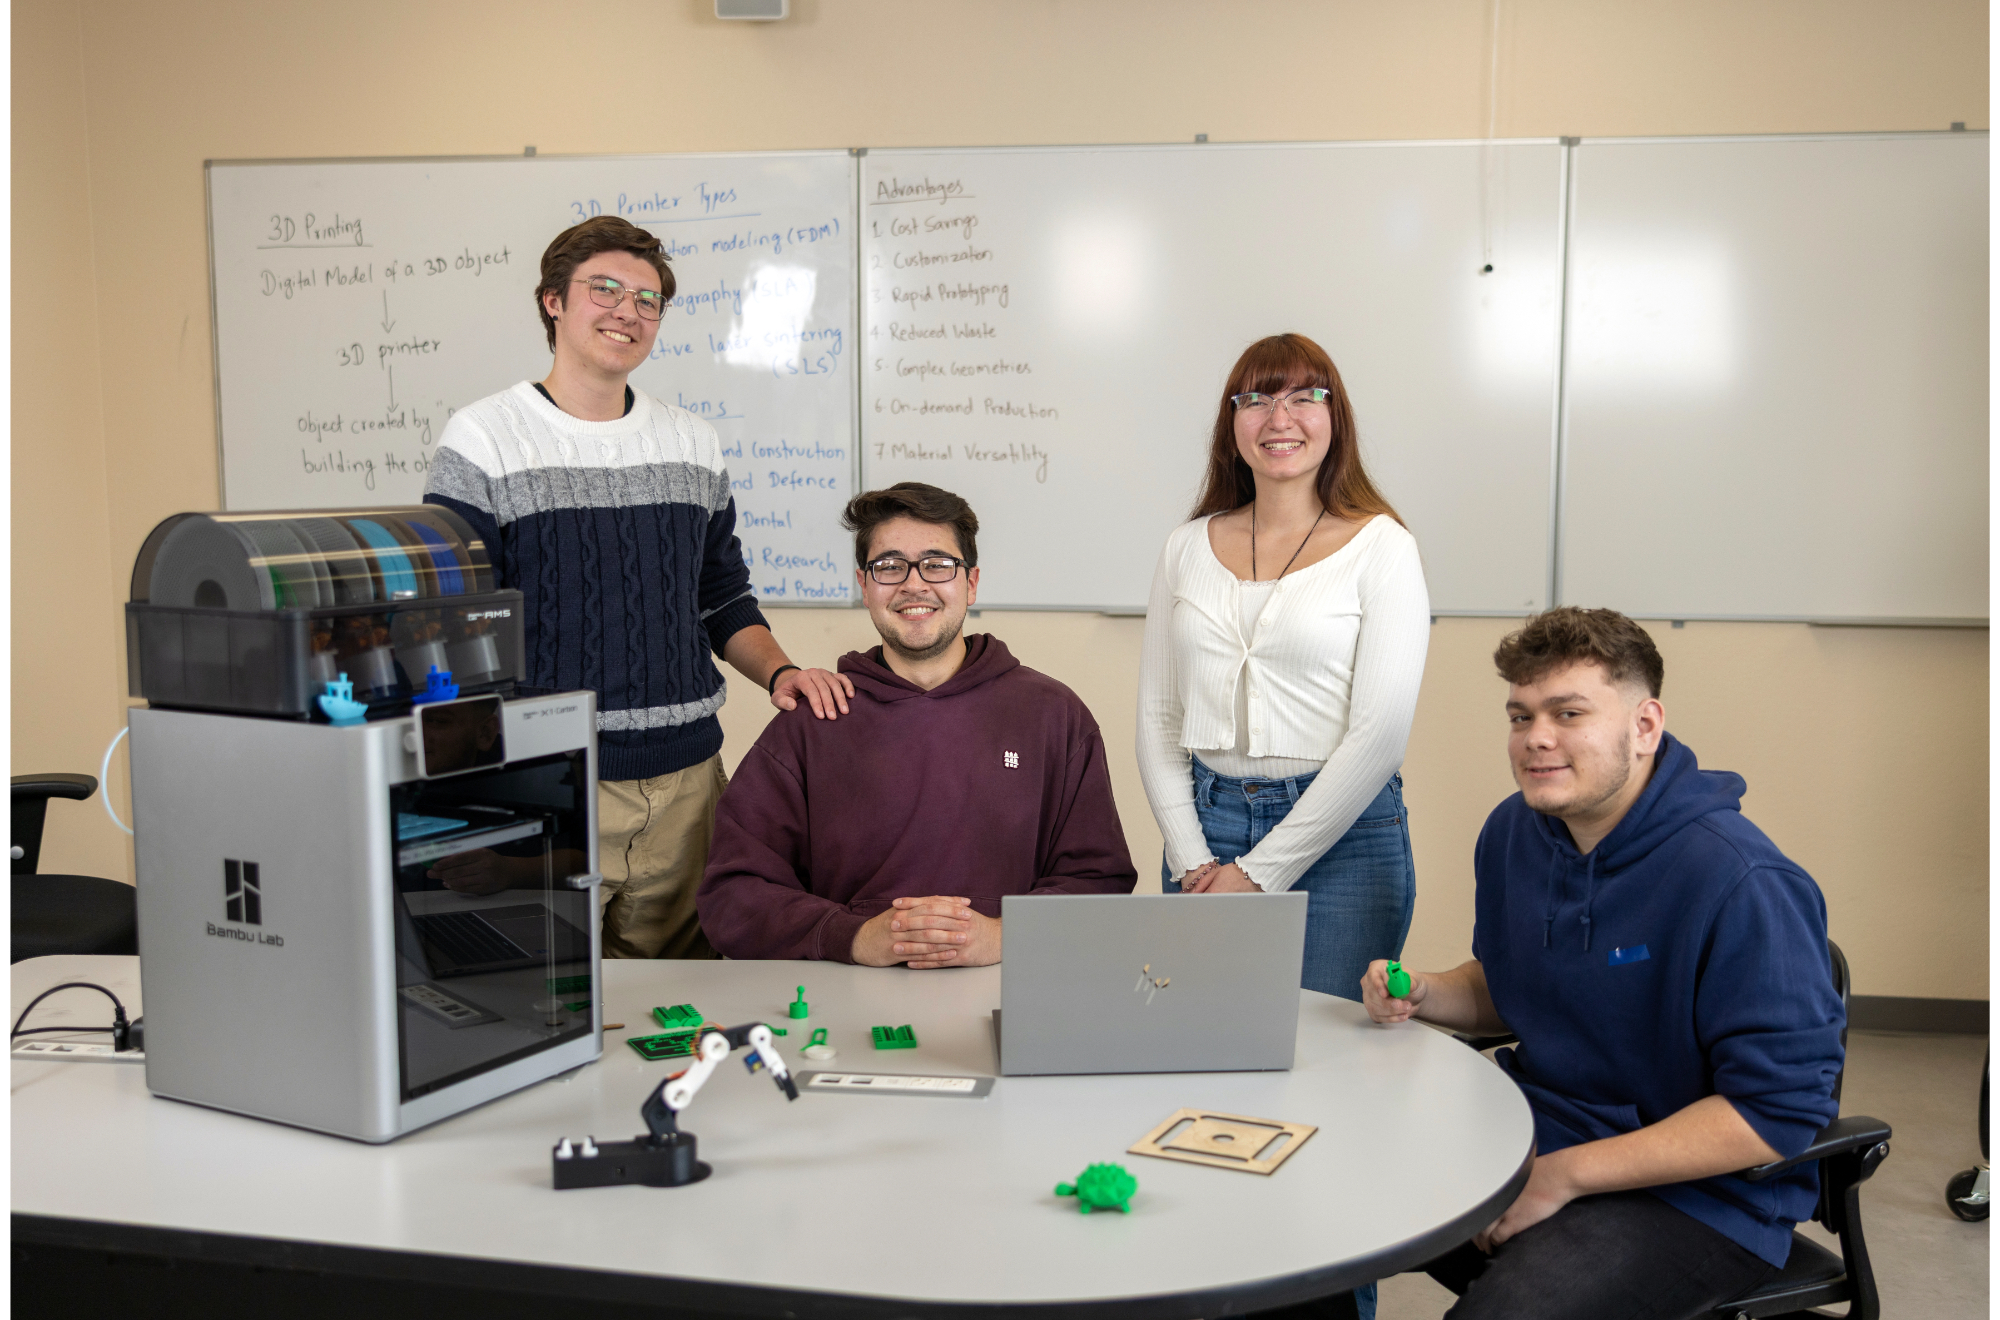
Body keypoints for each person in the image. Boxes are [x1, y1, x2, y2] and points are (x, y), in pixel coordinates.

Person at [1361, 608, 1844, 1319]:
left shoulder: (1741, 880)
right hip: (1535, 1132)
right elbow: (1514, 986)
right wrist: (1427, 993)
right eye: (1521, 717)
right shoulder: (1514, 832)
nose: (1537, 740)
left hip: (1700, 1197)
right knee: (1320, 1200)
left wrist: (1562, 1176)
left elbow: (1774, 1114)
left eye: (1568, 713)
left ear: (1645, 726)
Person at [424, 215, 851, 960]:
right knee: (541, 1005)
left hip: (688, 785)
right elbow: (458, 626)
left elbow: (720, 595)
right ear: (554, 300)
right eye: (607, 290)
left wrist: (781, 672)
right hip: (549, 782)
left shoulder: (692, 443)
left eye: (649, 300)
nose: (629, 311)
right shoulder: (484, 437)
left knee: (679, 1011)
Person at [697, 482, 1137, 963]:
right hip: (846, 996)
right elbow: (733, 895)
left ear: (970, 583)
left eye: (937, 564)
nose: (914, 584)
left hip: (1007, 984)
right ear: (864, 587)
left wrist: (1002, 937)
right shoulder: (813, 721)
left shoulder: (1053, 716)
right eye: (889, 566)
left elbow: (1101, 882)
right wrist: (854, 937)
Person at [1135, 331, 1430, 1001]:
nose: (1279, 418)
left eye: (1305, 396)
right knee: (1194, 1036)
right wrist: (1190, 858)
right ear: (1231, 422)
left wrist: (1261, 873)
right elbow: (1158, 717)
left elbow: (1379, 736)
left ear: (1336, 417)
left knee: (1327, 1056)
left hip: (1344, 837)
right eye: (1257, 399)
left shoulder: (1382, 547)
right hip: (1205, 828)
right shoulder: (1185, 547)